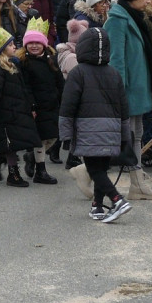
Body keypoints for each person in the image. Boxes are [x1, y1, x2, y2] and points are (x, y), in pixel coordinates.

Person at [59, 26, 134, 222]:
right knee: (101, 168)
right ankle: (97, 206)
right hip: (111, 130)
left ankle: (117, 200)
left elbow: (68, 106)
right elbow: (124, 108)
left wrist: (66, 136)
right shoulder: (114, 74)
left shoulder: (78, 73)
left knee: (94, 170)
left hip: (88, 130)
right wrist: (125, 135)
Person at [104, 0, 152, 199]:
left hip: (137, 89)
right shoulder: (118, 21)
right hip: (127, 91)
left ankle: (137, 185)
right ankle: (88, 173)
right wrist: (119, 93)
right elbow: (116, 60)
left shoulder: (135, 17)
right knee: (125, 138)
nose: (149, 0)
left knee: (135, 135)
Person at [0, 28, 40, 187]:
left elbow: (23, 88)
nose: (15, 47)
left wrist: (31, 105)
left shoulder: (14, 65)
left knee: (16, 142)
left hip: (16, 111)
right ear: (2, 49)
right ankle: (13, 175)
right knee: (10, 145)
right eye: (10, 45)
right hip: (4, 114)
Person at [16, 18, 63, 184]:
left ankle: (32, 157)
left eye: (37, 42)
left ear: (44, 44)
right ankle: (41, 171)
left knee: (54, 137)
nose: (34, 46)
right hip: (37, 106)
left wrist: (62, 98)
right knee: (41, 139)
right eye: (30, 43)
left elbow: (59, 81)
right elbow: (25, 87)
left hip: (52, 104)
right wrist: (31, 105)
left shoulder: (51, 60)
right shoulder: (25, 63)